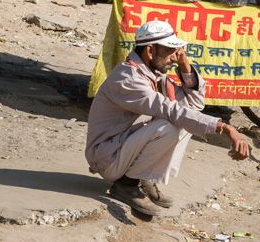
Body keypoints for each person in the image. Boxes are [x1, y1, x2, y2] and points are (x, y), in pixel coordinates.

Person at [85, 21, 250, 218]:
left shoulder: (154, 75)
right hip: (106, 157)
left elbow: (194, 104)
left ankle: (142, 176)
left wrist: (184, 64)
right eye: (171, 51)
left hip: (121, 148)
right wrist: (225, 128)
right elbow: (172, 111)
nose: (174, 57)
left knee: (187, 121)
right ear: (150, 51)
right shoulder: (129, 78)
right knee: (168, 126)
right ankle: (127, 185)